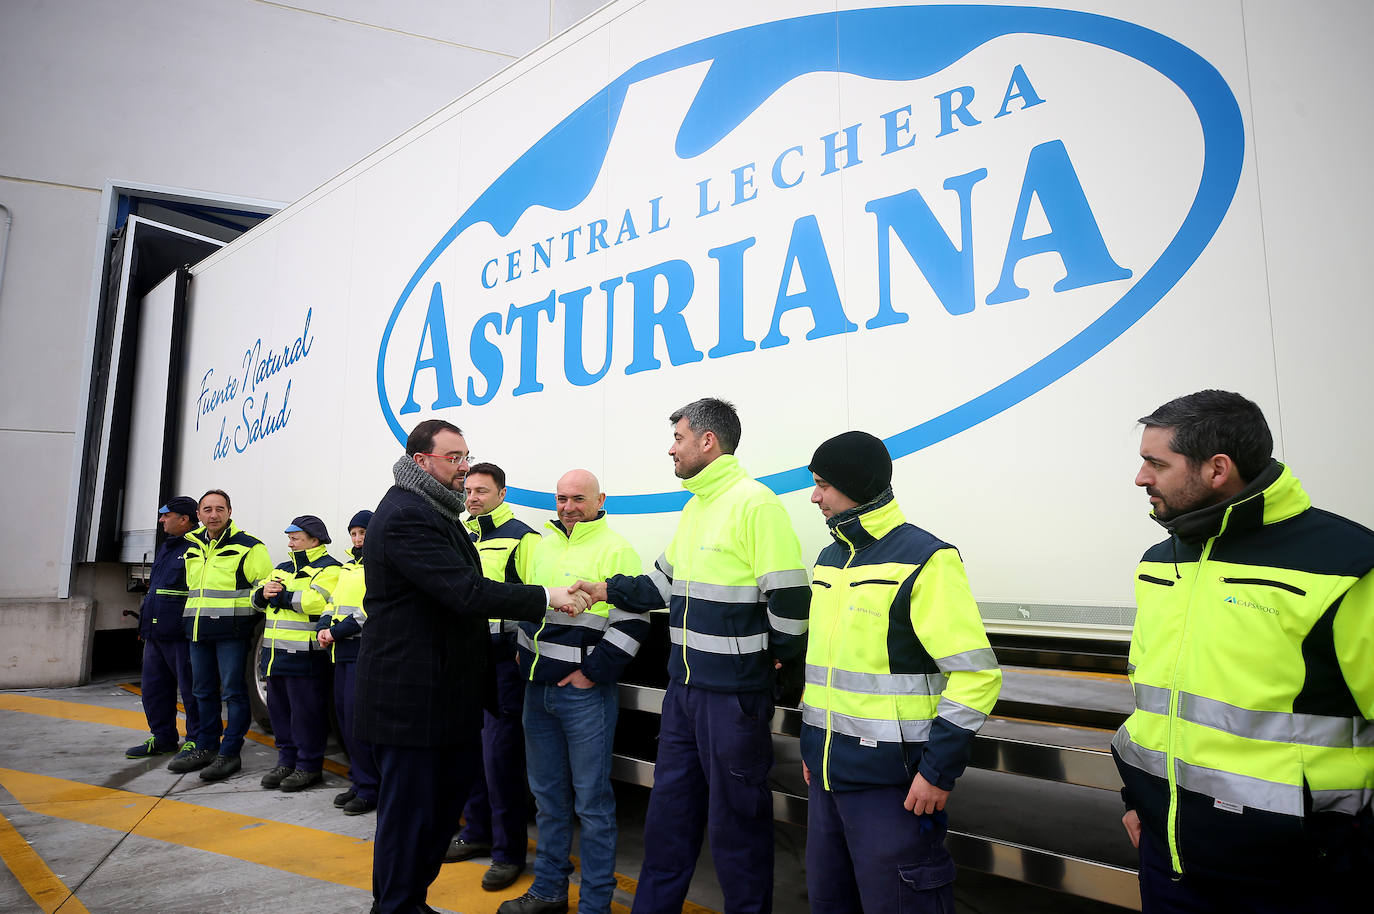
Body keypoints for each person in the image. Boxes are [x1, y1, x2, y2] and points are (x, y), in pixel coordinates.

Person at [1115, 389, 1373, 912]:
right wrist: (1138, 799)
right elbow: (1156, 710)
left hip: (1299, 882)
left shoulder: (1347, 565)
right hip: (1171, 865)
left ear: (1217, 469)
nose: (1141, 478)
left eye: (1156, 463)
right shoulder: (1159, 563)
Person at [573, 397, 811, 914]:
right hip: (683, 695)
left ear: (708, 441)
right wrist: (604, 588)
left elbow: (790, 599)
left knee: (737, 828)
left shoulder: (755, 504)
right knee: (668, 819)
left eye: (678, 438)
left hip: (733, 699)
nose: (671, 449)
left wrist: (779, 664)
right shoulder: (696, 507)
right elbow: (660, 584)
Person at [353, 419, 592, 914]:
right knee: (410, 817)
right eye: (454, 458)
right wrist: (548, 596)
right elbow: (465, 592)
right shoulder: (405, 515)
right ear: (421, 462)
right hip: (412, 701)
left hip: (442, 697)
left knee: (437, 814)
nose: (464, 467)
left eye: (466, 456)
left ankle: (409, 902)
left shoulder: (435, 511)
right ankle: (395, 908)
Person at [800, 431, 1002, 913]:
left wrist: (937, 772)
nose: (814, 496)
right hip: (828, 778)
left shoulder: (927, 559)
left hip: (895, 788)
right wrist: (815, 745)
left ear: (854, 483)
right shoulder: (830, 560)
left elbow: (977, 676)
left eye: (823, 484)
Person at [499, 470, 646, 914]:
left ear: (600, 499)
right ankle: (548, 891)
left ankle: (595, 905)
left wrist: (591, 673)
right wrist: (523, 657)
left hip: (584, 697)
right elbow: (526, 605)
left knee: (593, 805)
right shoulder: (541, 546)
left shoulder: (615, 548)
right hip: (537, 693)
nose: (567, 507)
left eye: (578, 499)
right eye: (561, 499)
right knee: (547, 799)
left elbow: (633, 622)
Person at [444, 463, 542, 890]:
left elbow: (534, 601)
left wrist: (522, 655)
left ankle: (508, 853)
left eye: (483, 491)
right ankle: (477, 832)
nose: (473, 498)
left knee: (501, 759)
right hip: (468, 657)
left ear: (502, 493)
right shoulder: (461, 535)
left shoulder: (523, 537)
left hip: (504, 661)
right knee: (470, 751)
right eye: (469, 491)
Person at [168, 489, 273, 781]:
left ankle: (229, 753)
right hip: (198, 632)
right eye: (207, 509)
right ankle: (205, 747)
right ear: (198, 515)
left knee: (233, 693)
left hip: (231, 633)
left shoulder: (249, 547)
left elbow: (262, 587)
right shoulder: (191, 546)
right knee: (202, 691)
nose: (213, 515)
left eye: (219, 509)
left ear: (229, 512)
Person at [253, 514, 341, 793]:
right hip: (275, 656)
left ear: (313, 540)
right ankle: (286, 761)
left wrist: (280, 596)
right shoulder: (281, 568)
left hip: (306, 658)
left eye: (295, 538)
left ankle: (308, 767)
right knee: (280, 714)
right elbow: (257, 599)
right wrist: (262, 594)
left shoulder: (331, 569)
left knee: (306, 715)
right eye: (289, 538)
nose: (289, 543)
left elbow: (316, 602)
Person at [125, 496, 202, 760]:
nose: (161, 520)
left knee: (192, 690)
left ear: (184, 519)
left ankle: (196, 740)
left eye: (166, 515)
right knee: (154, 689)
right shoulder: (167, 547)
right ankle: (163, 737)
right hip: (154, 632)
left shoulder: (197, 547)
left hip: (180, 633)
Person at [317, 509, 379, 815]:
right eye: (354, 533)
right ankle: (358, 780)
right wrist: (323, 626)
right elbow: (332, 601)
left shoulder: (379, 565)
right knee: (343, 720)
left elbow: (369, 609)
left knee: (359, 722)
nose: (357, 539)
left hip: (361, 651)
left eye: (363, 533)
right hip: (340, 652)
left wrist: (336, 631)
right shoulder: (347, 567)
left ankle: (370, 788)